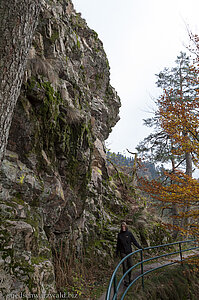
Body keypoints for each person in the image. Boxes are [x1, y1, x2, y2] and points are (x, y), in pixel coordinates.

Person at [116, 221, 143, 286]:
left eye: (124, 226)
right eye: (122, 226)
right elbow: (118, 245)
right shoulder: (120, 235)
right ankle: (126, 280)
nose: (123, 227)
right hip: (123, 252)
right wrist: (116, 253)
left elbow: (134, 241)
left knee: (130, 265)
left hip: (129, 252)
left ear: (126, 226)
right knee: (124, 267)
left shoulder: (129, 233)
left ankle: (130, 277)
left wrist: (140, 247)